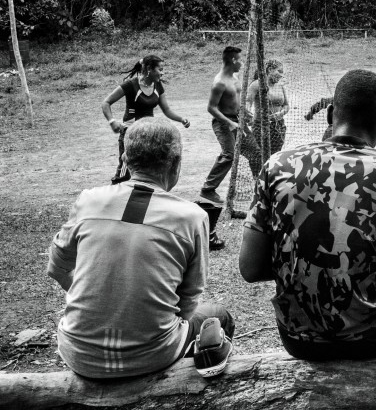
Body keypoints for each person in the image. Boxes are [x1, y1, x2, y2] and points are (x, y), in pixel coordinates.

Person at [239, 69, 376, 360]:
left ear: (330, 113)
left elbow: (250, 268)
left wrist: (306, 260)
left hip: (298, 337)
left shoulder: (277, 166)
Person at [48, 118, 235, 379]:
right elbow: (188, 299)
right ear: (176, 163)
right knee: (218, 316)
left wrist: (105, 298)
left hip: (79, 353)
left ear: (125, 159)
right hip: (152, 356)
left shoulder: (89, 200)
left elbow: (57, 267)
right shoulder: (192, 217)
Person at [101, 55, 190, 184]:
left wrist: (181, 119)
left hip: (149, 134)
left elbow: (166, 110)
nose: (162, 72)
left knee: (147, 170)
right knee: (125, 172)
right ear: (149, 69)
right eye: (160, 69)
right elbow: (106, 103)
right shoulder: (131, 85)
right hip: (130, 134)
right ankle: (115, 194)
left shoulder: (157, 86)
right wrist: (112, 121)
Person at [200, 46, 243, 204]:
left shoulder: (236, 77)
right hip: (223, 122)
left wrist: (245, 114)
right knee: (229, 155)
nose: (242, 63)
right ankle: (208, 189)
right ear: (233, 60)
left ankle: (257, 186)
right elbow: (211, 108)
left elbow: (237, 100)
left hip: (238, 120)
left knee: (254, 151)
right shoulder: (219, 82)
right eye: (240, 60)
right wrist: (230, 123)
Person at [239, 59, 289, 179]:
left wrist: (280, 114)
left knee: (275, 155)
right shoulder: (257, 84)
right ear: (270, 70)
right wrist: (248, 114)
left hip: (279, 126)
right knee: (259, 155)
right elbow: (247, 101)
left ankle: (271, 180)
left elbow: (286, 105)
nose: (281, 75)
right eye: (279, 71)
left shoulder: (280, 86)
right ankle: (258, 180)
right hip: (260, 125)